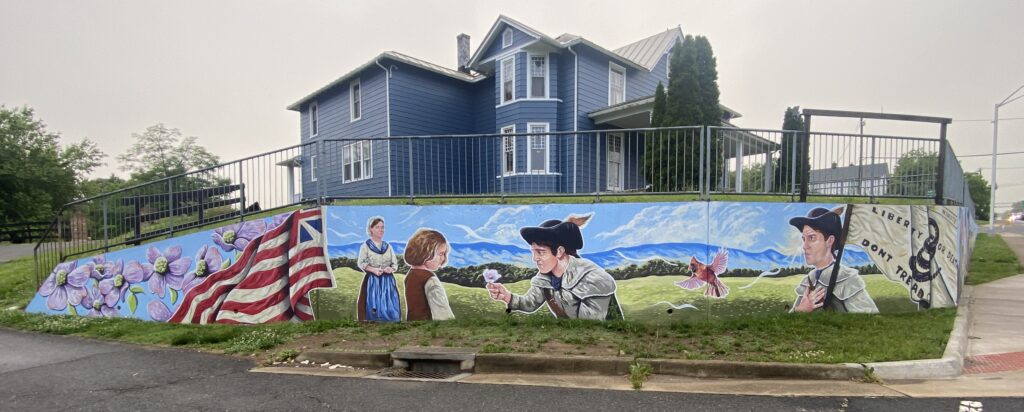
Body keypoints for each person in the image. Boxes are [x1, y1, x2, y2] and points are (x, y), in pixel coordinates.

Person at [486, 215, 621, 320]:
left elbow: (590, 325)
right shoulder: (545, 278)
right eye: (533, 252)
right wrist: (507, 297)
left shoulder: (592, 279)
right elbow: (530, 303)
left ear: (560, 251)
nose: (535, 258)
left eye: (540, 252)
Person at [789, 207, 879, 314]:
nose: (805, 246)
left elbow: (869, 318)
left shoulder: (847, 279)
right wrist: (800, 310)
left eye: (812, 238)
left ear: (830, 240)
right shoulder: (808, 280)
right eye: (804, 239)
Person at [403, 229, 455, 321]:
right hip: (430, 328)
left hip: (413, 327)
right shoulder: (430, 280)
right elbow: (442, 311)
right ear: (426, 253)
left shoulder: (410, 275)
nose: (443, 258)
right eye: (441, 254)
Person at [356, 217, 400, 322]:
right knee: (373, 306)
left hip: (388, 282)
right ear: (371, 229)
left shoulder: (387, 246)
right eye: (377, 227)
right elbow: (361, 263)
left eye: (382, 227)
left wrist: (391, 269)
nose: (381, 230)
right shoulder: (366, 246)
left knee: (390, 306)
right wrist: (373, 270)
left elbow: (395, 263)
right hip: (373, 281)